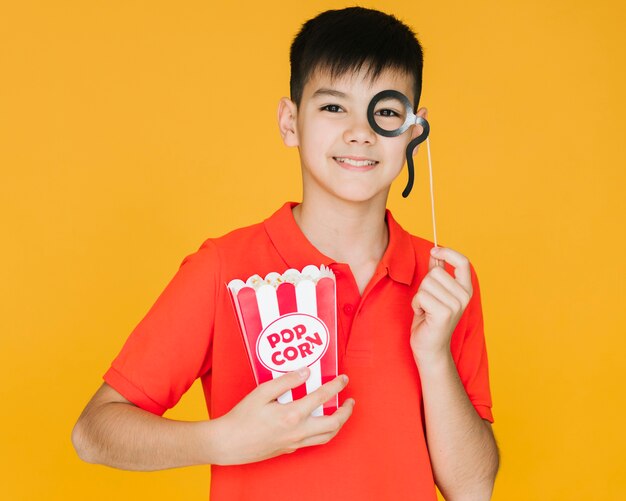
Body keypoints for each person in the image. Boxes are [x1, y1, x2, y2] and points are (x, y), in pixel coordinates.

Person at [72, 7, 499, 500]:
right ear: (290, 121)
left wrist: (435, 354)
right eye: (334, 107)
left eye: (384, 112)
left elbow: (472, 488)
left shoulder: (442, 282)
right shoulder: (223, 270)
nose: (359, 132)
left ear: (413, 132)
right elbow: (93, 433)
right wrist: (222, 440)